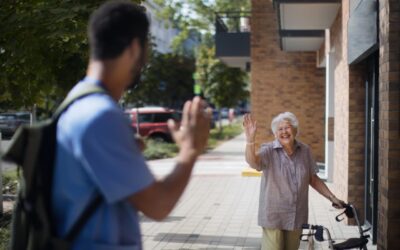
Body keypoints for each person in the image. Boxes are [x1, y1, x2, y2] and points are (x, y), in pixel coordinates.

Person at [51, 1, 211, 249]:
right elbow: (159, 205)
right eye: (147, 48)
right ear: (135, 48)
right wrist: (190, 150)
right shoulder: (101, 116)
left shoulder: (78, 101)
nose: (146, 60)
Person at [243, 112, 345, 250]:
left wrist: (332, 198)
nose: (284, 132)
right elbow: (253, 162)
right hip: (274, 216)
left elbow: (313, 179)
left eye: (287, 127)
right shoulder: (269, 150)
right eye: (280, 129)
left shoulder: (305, 151)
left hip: (296, 215)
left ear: (295, 130)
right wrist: (250, 141)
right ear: (275, 134)